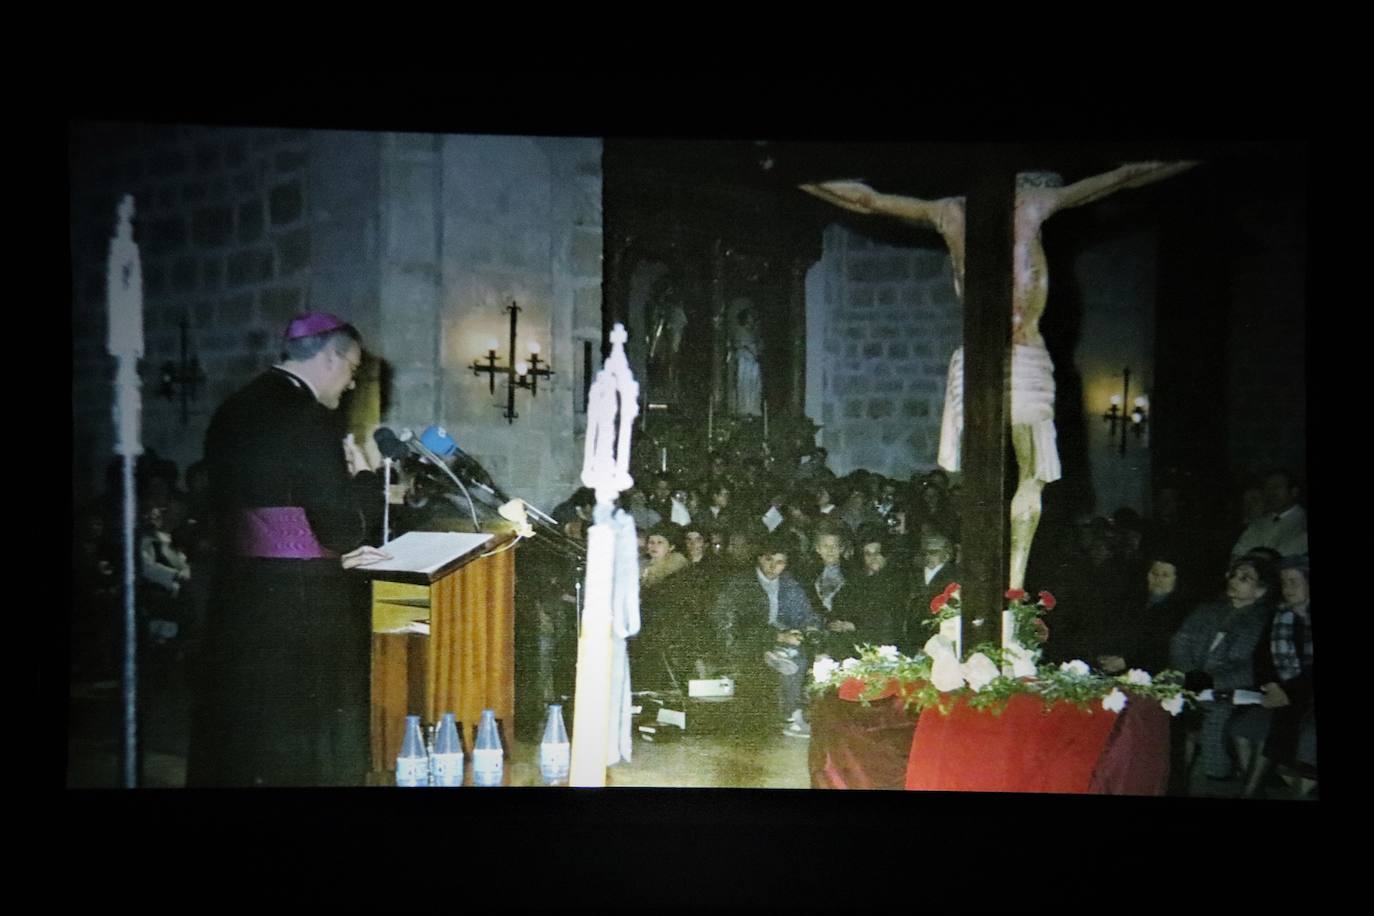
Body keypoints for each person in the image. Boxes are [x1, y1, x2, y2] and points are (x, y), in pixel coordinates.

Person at [803, 162, 1196, 590]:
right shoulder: (1030, 204)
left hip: (997, 358)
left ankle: (1009, 587)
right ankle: (1004, 583)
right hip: (1010, 353)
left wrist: (799, 176)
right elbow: (1122, 177)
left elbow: (866, 200)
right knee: (1023, 477)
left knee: (1013, 477)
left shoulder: (950, 212)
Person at [187, 312, 390, 787]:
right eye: (353, 369)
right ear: (331, 356)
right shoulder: (311, 418)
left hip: (240, 591)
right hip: (301, 604)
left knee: (245, 737)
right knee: (303, 744)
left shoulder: (233, 410)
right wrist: (365, 480)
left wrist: (323, 550)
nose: (351, 383)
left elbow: (260, 515)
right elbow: (339, 526)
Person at [1169, 555, 1276, 784]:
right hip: (1193, 679)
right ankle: (1171, 773)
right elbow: (1180, 641)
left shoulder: (1264, 621)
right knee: (1160, 696)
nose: (1234, 580)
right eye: (1234, 575)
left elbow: (1253, 667)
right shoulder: (1208, 610)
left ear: (1261, 590)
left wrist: (1209, 681)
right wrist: (1190, 674)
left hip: (1236, 689)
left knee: (1216, 712)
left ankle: (1216, 778)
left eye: (1245, 578)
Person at [710, 533, 822, 737]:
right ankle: (792, 716)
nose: (773, 567)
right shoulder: (740, 584)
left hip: (780, 638)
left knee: (798, 652)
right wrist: (775, 638)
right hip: (745, 640)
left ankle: (780, 659)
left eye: (780, 562)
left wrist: (810, 629)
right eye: (769, 560)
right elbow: (731, 629)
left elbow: (806, 614)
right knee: (794, 657)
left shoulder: (789, 584)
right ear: (760, 558)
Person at [1231, 469, 1308, 559]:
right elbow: (1238, 553)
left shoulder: (1302, 523)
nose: (1270, 493)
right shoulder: (1258, 524)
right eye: (1267, 488)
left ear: (1294, 492)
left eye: (1276, 487)